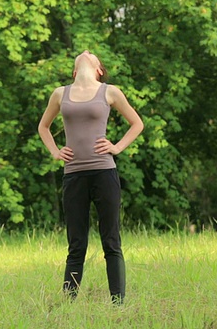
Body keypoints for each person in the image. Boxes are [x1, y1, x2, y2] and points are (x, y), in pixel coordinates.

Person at [37, 50, 143, 304]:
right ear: (74, 72)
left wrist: (117, 147)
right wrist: (54, 151)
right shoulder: (60, 93)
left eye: (91, 55)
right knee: (76, 244)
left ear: (99, 70)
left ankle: (118, 304)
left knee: (111, 241)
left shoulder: (109, 91)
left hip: (104, 173)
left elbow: (137, 123)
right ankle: (68, 302)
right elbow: (43, 126)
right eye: (82, 54)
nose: (85, 53)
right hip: (73, 175)